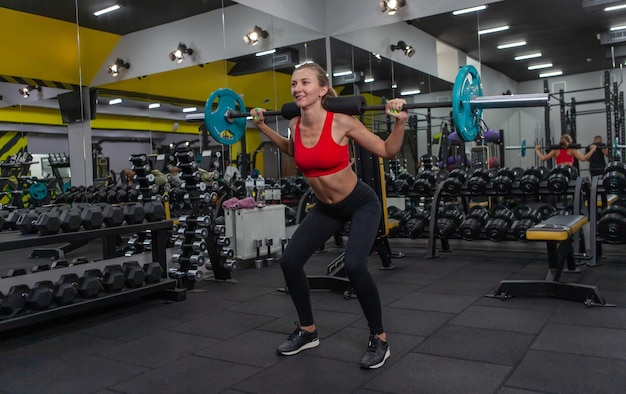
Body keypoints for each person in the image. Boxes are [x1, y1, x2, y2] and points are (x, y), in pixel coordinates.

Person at [251, 62, 407, 369]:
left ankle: (380, 338)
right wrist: (262, 127)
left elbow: (387, 151)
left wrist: (400, 122)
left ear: (323, 89)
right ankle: (308, 330)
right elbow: (294, 151)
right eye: (294, 84)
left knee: (354, 264)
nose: (297, 88)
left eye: (305, 83)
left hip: (361, 203)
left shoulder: (341, 122)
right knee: (290, 261)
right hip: (326, 208)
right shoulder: (295, 124)